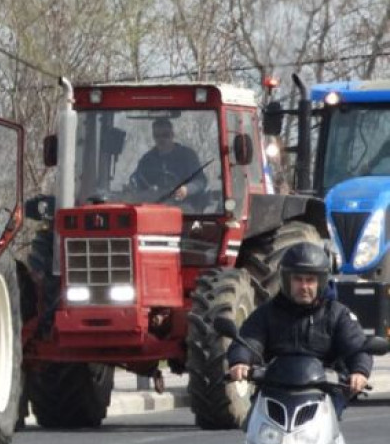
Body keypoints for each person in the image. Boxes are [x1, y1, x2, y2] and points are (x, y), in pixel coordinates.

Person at [228, 242, 373, 419]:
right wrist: (241, 361)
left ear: (321, 282)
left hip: (323, 394)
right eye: (298, 279)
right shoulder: (267, 313)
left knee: (330, 439)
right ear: (285, 280)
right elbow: (249, 339)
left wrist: (359, 372)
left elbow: (357, 346)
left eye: (310, 280)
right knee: (252, 433)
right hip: (274, 391)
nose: (304, 286)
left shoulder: (337, 314)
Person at [129, 118, 206, 201]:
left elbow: (200, 181)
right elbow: (137, 180)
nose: (161, 139)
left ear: (172, 135)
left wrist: (187, 189)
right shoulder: (147, 160)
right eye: (157, 136)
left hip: (184, 205)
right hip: (155, 205)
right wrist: (139, 189)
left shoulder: (187, 155)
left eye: (165, 135)